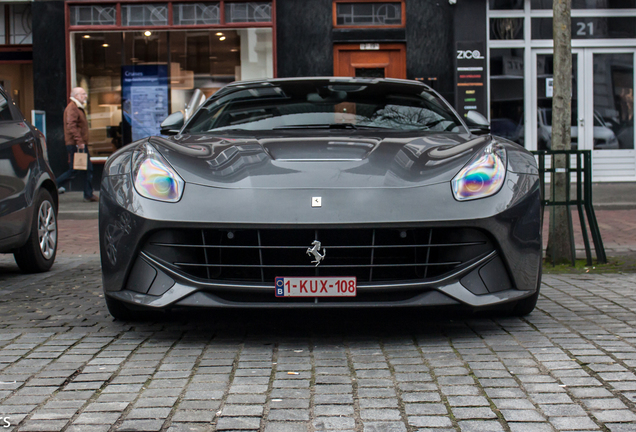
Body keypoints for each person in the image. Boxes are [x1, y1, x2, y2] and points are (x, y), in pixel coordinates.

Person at [57, 87, 98, 202]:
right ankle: (54, 185)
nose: (85, 96)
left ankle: (88, 194)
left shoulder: (77, 107)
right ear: (76, 96)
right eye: (83, 94)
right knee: (75, 170)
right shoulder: (73, 108)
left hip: (79, 144)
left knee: (87, 169)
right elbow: (71, 125)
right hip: (76, 145)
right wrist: (79, 142)